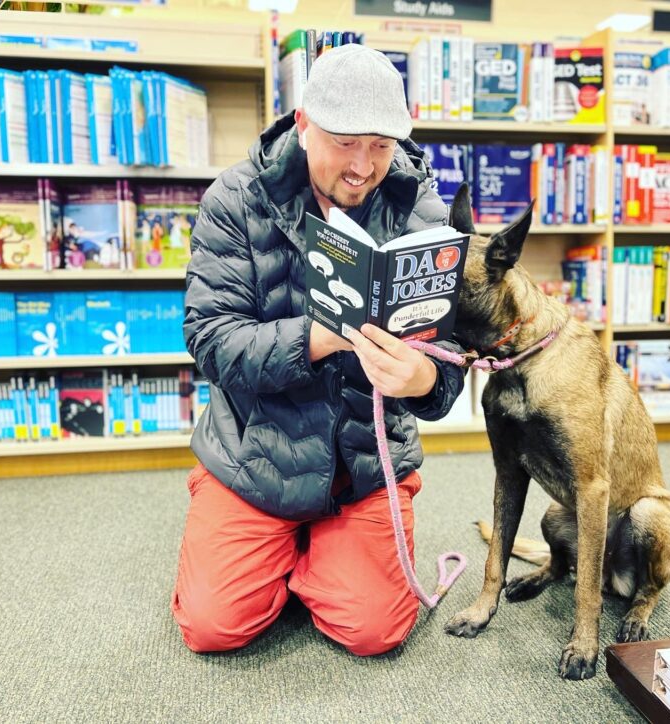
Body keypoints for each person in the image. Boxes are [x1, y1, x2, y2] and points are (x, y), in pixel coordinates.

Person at [172, 43, 466, 657]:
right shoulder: (235, 199)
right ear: (304, 125)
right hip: (257, 460)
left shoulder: (420, 205)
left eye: (381, 146)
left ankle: (326, 556)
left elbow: (452, 352)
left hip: (364, 466)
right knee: (212, 626)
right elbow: (211, 340)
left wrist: (421, 378)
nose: (363, 166)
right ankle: (291, 550)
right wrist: (318, 337)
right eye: (344, 142)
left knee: (375, 630)